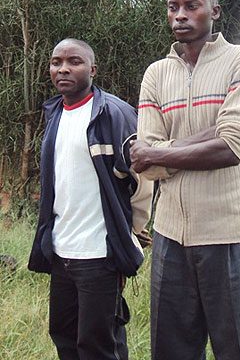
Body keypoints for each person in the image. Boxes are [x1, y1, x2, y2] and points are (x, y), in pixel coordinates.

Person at [130, 0, 240, 360]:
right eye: (173, 7)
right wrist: (203, 138)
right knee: (171, 352)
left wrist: (162, 151)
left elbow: (232, 146)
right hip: (170, 239)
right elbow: (145, 164)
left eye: (191, 6)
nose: (180, 15)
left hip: (232, 237)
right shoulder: (156, 74)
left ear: (215, 11)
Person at [28, 38, 153, 360]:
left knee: (99, 346)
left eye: (75, 61)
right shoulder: (55, 113)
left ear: (93, 69)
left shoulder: (114, 114)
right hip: (61, 251)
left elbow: (143, 180)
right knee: (65, 338)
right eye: (57, 62)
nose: (64, 68)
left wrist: (131, 235)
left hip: (100, 254)